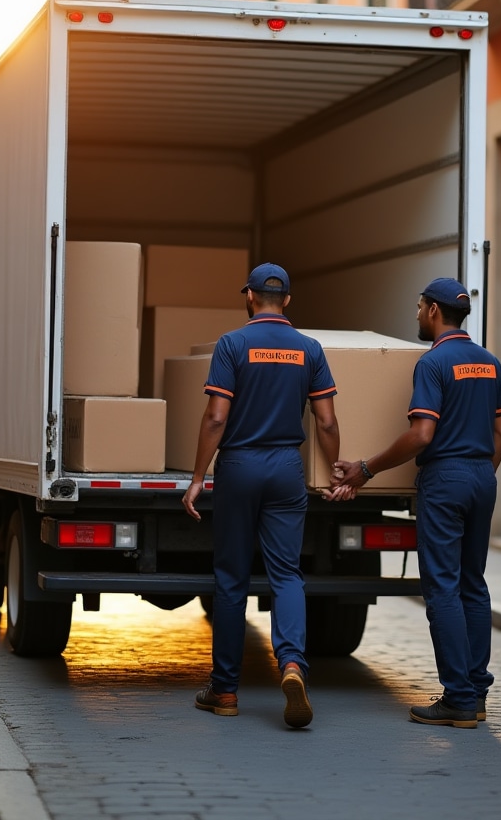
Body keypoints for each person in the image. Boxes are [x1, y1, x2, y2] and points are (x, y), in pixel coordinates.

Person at [329, 278, 501, 729]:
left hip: (446, 478)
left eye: (418, 307)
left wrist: (366, 468)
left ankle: (459, 698)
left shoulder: (433, 364)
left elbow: (421, 434)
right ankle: (477, 692)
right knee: (473, 585)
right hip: (482, 476)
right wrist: (482, 472)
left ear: (432, 311)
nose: (416, 314)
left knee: (443, 588)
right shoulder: (489, 362)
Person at [183, 263, 340, 729]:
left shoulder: (232, 345)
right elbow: (326, 422)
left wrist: (197, 476)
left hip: (239, 465)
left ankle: (226, 691)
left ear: (250, 296)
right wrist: (334, 470)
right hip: (286, 468)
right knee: (287, 574)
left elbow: (215, 417)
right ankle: (292, 665)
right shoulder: (309, 349)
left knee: (231, 579)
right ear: (287, 300)